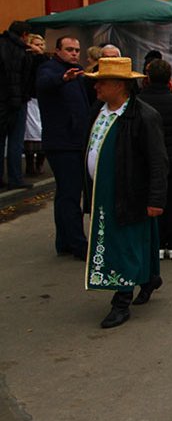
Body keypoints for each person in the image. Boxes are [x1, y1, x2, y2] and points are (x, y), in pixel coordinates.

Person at [83, 57, 167, 329]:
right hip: (105, 191)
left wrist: (156, 199)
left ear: (119, 85)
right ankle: (149, 278)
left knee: (123, 246)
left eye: (102, 83)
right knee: (130, 241)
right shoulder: (101, 109)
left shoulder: (143, 116)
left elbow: (157, 160)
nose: (96, 88)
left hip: (129, 191)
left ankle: (121, 302)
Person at [35, 36, 89, 258]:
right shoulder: (50, 69)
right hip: (62, 142)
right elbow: (44, 83)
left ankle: (64, 242)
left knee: (66, 194)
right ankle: (78, 244)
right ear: (57, 50)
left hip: (76, 140)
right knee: (70, 194)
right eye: (69, 49)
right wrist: (62, 79)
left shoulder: (76, 70)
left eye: (77, 49)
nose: (74, 53)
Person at [138, 59, 172, 259]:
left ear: (148, 77)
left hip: (146, 160)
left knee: (151, 199)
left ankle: (157, 242)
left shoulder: (138, 100)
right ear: (169, 78)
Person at [0, 20, 33, 189]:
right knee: (15, 141)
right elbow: (26, 79)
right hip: (17, 101)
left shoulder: (2, 44)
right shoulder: (23, 51)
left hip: (2, 100)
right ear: (25, 35)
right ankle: (15, 178)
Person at [23, 34, 47, 177]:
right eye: (36, 44)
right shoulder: (27, 59)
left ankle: (40, 163)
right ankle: (30, 164)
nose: (39, 47)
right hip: (31, 98)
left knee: (42, 130)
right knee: (31, 132)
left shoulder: (45, 60)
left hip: (42, 99)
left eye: (41, 44)